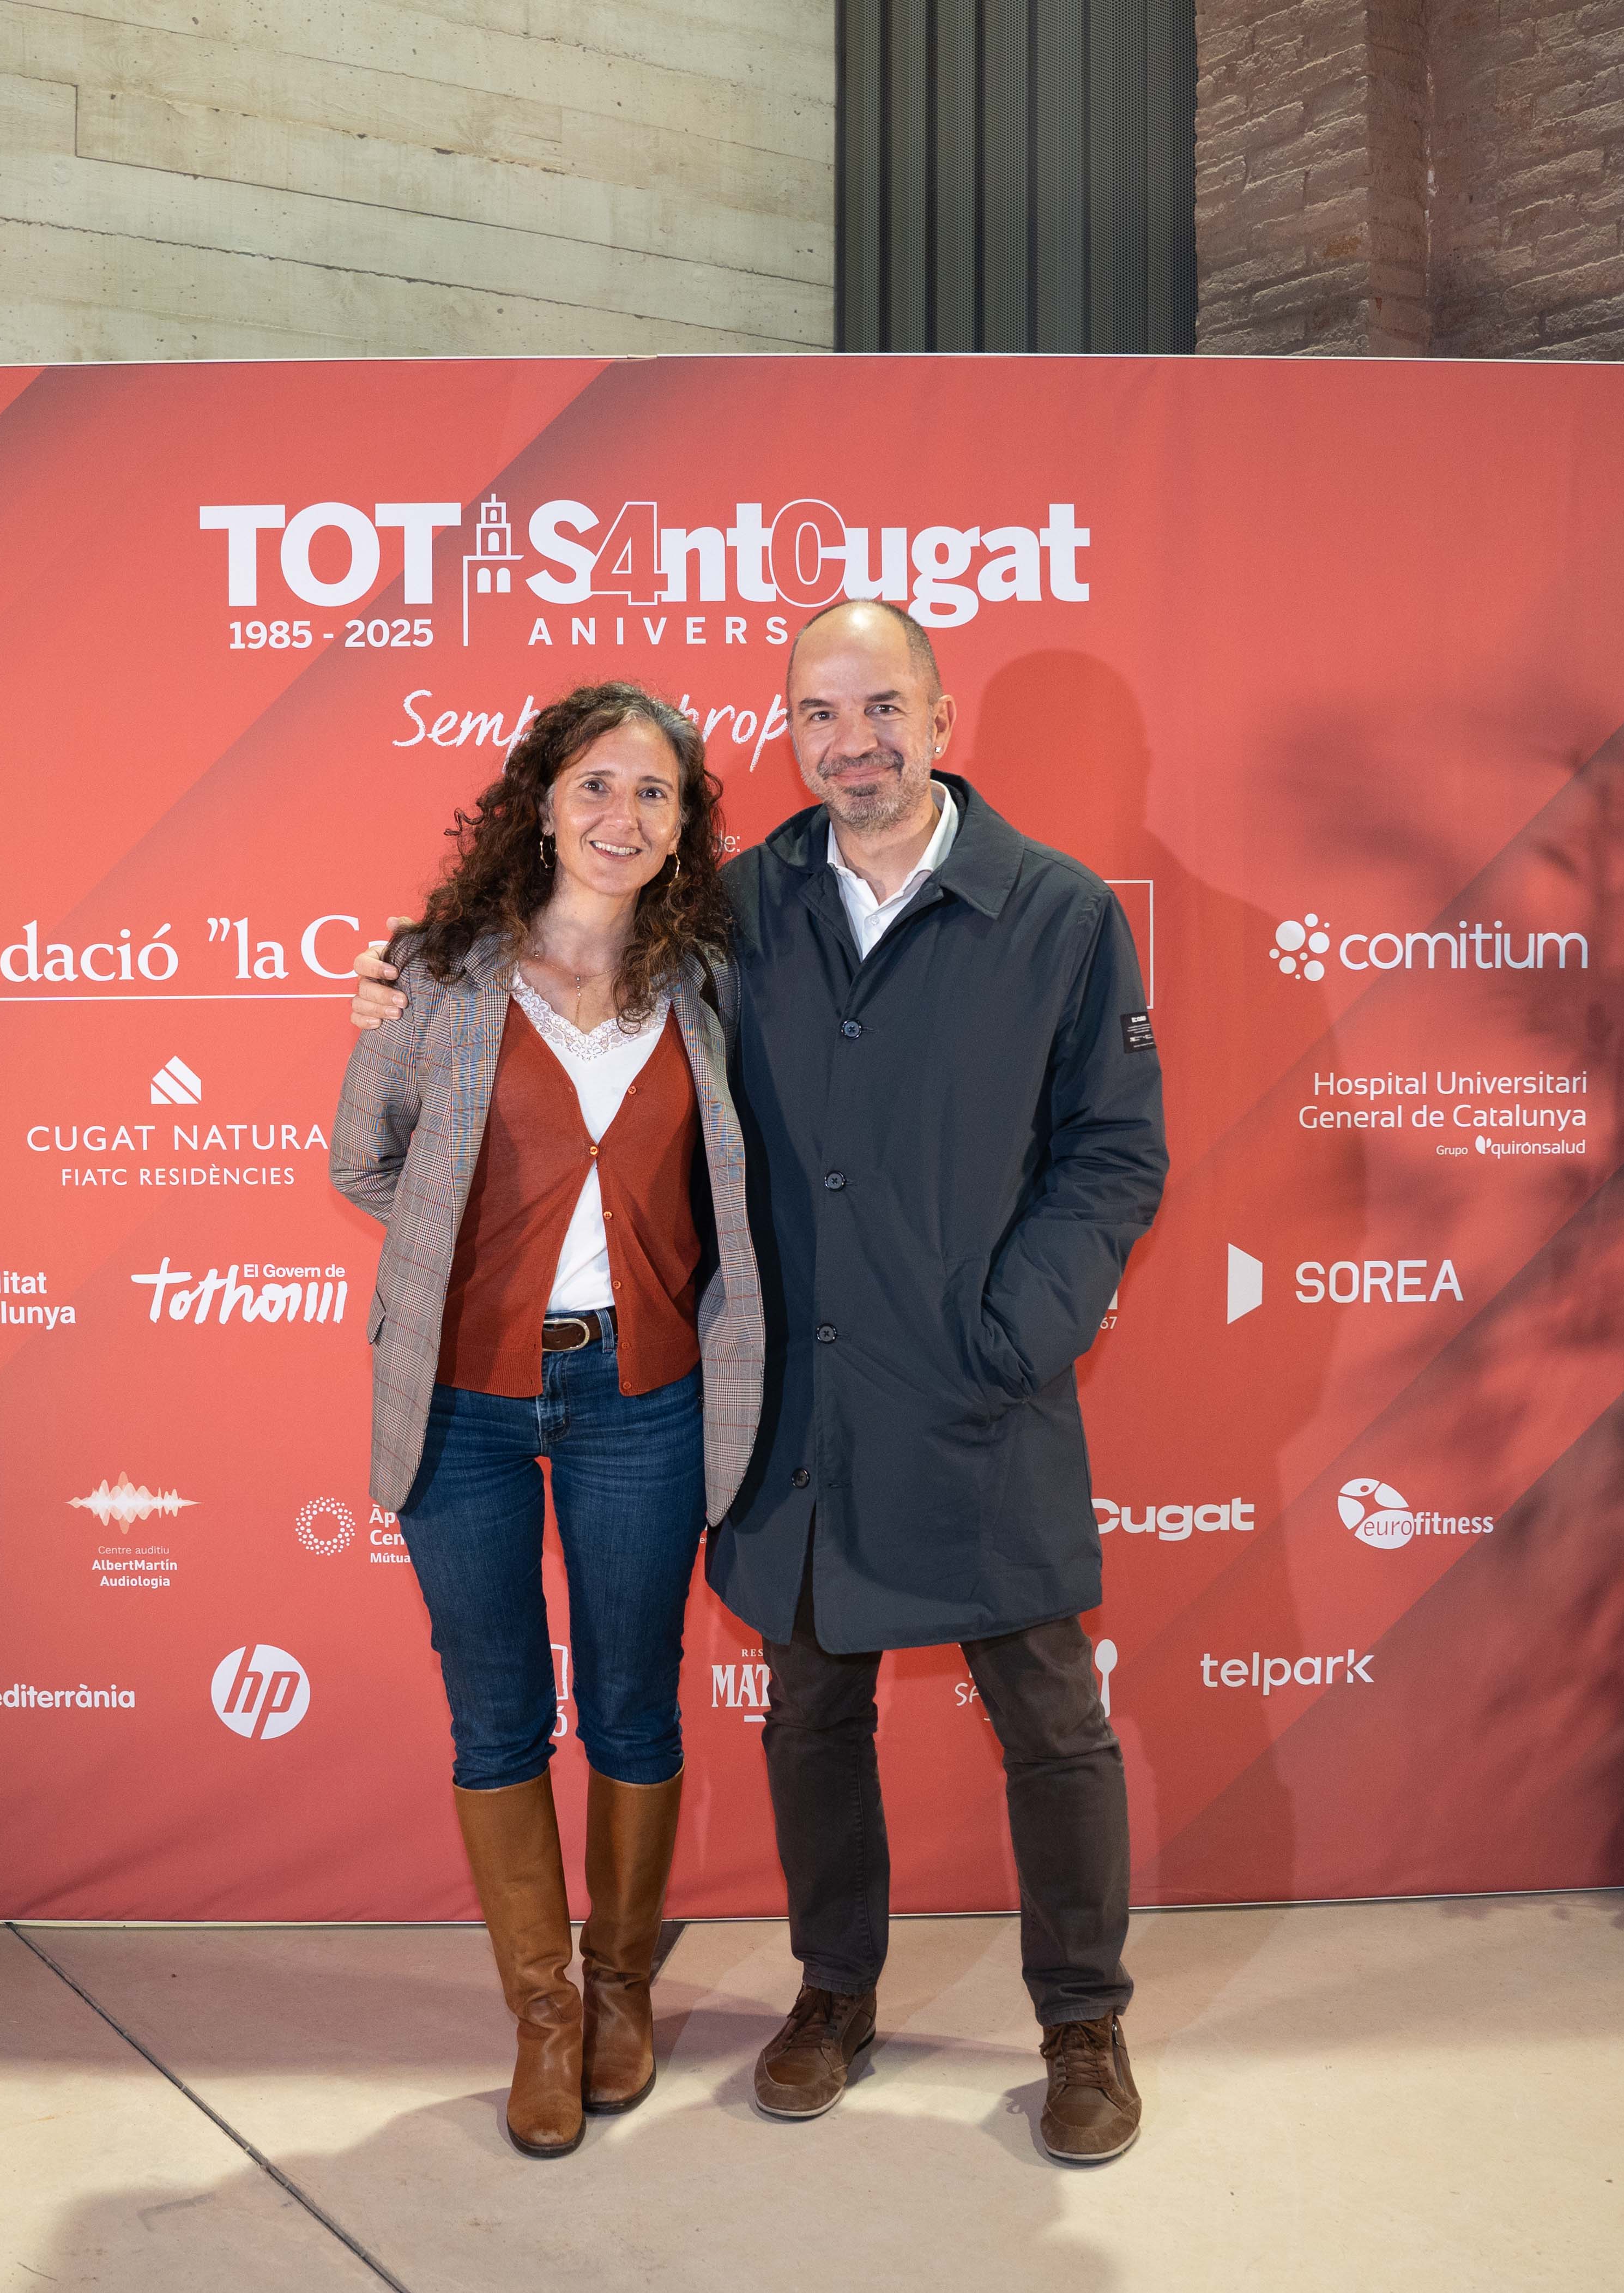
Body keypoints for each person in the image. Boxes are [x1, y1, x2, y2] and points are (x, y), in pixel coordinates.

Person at [350, 602, 1167, 2164]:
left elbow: (1116, 1148)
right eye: (816, 714)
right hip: (790, 1385)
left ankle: (1082, 2023)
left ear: (939, 718)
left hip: (977, 1384)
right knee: (811, 1709)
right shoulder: (735, 907)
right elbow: (557, 969)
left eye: (880, 708)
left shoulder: (1058, 912)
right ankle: (834, 1997)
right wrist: (415, 981)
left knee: (1052, 1714)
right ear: (787, 735)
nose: (850, 741)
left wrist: (1023, 1324)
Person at [329, 681, 764, 2162]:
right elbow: (362, 1165)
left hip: (638, 1402)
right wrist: (455, 1260)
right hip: (457, 1406)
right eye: (596, 785)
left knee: (636, 1702)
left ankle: (622, 1984)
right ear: (539, 799)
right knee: (497, 1712)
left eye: (655, 793)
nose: (621, 818)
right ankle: (542, 2014)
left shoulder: (711, 983)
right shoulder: (438, 975)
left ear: (683, 826)